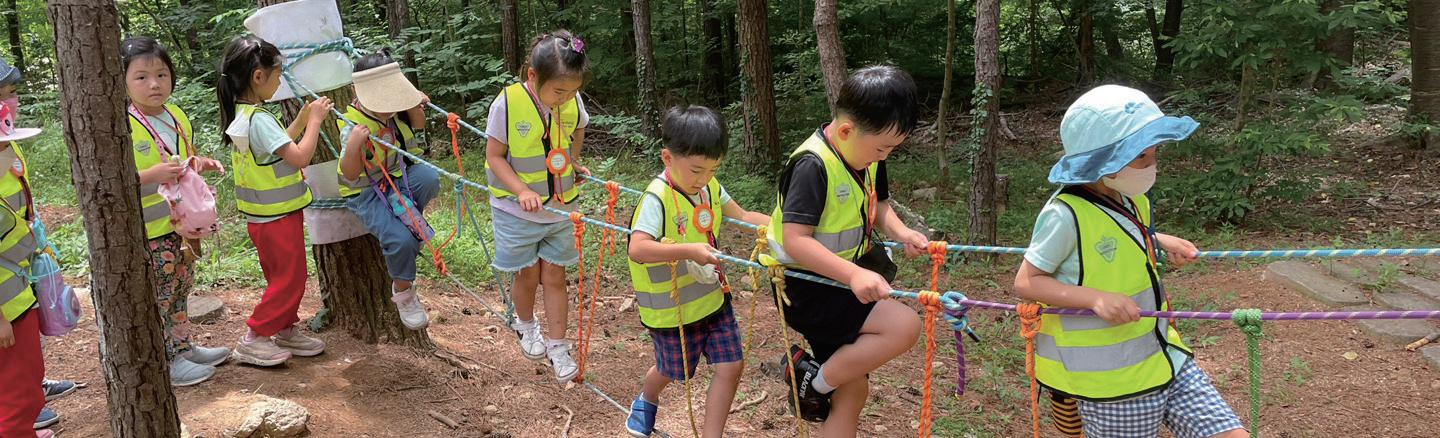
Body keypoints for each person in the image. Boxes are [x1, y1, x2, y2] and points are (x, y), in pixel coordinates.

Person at [1013, 84, 1248, 438]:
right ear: (1103, 158)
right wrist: (1095, 298)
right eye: (1140, 155)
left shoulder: (1132, 199)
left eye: (1154, 151)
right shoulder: (1064, 215)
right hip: (1112, 383)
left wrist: (1158, 240)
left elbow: (1116, 237)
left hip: (1165, 355)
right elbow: (1027, 282)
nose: (1151, 163)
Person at [767, 65, 929, 437]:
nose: (883, 156)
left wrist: (904, 232)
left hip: (839, 281)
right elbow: (795, 240)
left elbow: (880, 206)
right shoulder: (812, 165)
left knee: (853, 391)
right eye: (882, 148)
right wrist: (855, 274)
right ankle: (813, 383)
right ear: (845, 130)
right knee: (904, 325)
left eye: (890, 149)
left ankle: (817, 383)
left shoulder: (867, 153)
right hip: (806, 287)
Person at [623, 105, 769, 437]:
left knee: (731, 366)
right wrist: (690, 250)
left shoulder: (709, 187)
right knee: (674, 370)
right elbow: (638, 248)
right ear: (668, 158)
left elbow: (744, 217)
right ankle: (647, 398)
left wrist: (786, 229)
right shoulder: (655, 199)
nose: (703, 179)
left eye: (713, 169)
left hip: (714, 299)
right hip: (672, 312)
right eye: (696, 170)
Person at [216, 35, 332, 367]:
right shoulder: (260, 120)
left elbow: (280, 143)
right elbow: (299, 157)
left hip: (263, 218)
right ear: (258, 76)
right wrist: (315, 121)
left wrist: (303, 117)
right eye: (277, 76)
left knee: (279, 276)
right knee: (290, 278)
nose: (279, 82)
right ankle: (255, 336)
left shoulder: (247, 114)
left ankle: (284, 328)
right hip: (277, 218)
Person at [121, 36, 230, 386]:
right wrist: (150, 176)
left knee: (181, 286)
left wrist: (201, 162)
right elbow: (106, 181)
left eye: (162, 74)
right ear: (121, 81)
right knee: (160, 293)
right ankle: (166, 359)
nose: (154, 83)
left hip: (183, 225)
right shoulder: (123, 123)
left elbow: (183, 158)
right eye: (141, 77)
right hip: (150, 230)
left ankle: (182, 346)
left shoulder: (176, 114)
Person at [484, 30, 592, 382]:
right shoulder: (507, 103)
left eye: (573, 91)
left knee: (556, 276)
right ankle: (526, 324)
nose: (566, 99)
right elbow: (494, 156)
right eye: (559, 92)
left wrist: (574, 163)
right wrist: (520, 191)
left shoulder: (571, 102)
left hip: (559, 210)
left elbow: (578, 130)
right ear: (532, 76)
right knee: (527, 274)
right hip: (517, 212)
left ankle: (558, 346)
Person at [337, 49, 438, 330]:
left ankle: (405, 218)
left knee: (429, 177)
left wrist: (413, 103)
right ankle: (404, 291)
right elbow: (350, 173)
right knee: (402, 241)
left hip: (397, 179)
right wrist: (355, 144)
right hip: (365, 192)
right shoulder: (352, 126)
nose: (388, 106)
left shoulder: (393, 111)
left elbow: (419, 124)